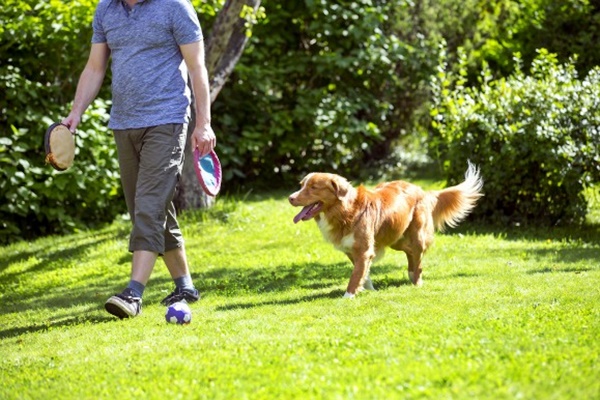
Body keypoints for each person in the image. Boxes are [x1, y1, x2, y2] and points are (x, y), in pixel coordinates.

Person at [62, 0, 215, 319]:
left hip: (167, 119)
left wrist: (203, 124)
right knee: (146, 206)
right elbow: (95, 67)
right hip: (124, 122)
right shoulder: (106, 9)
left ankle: (133, 293)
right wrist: (76, 111)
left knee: (148, 204)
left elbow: (197, 66)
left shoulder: (175, 7)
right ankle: (184, 285)